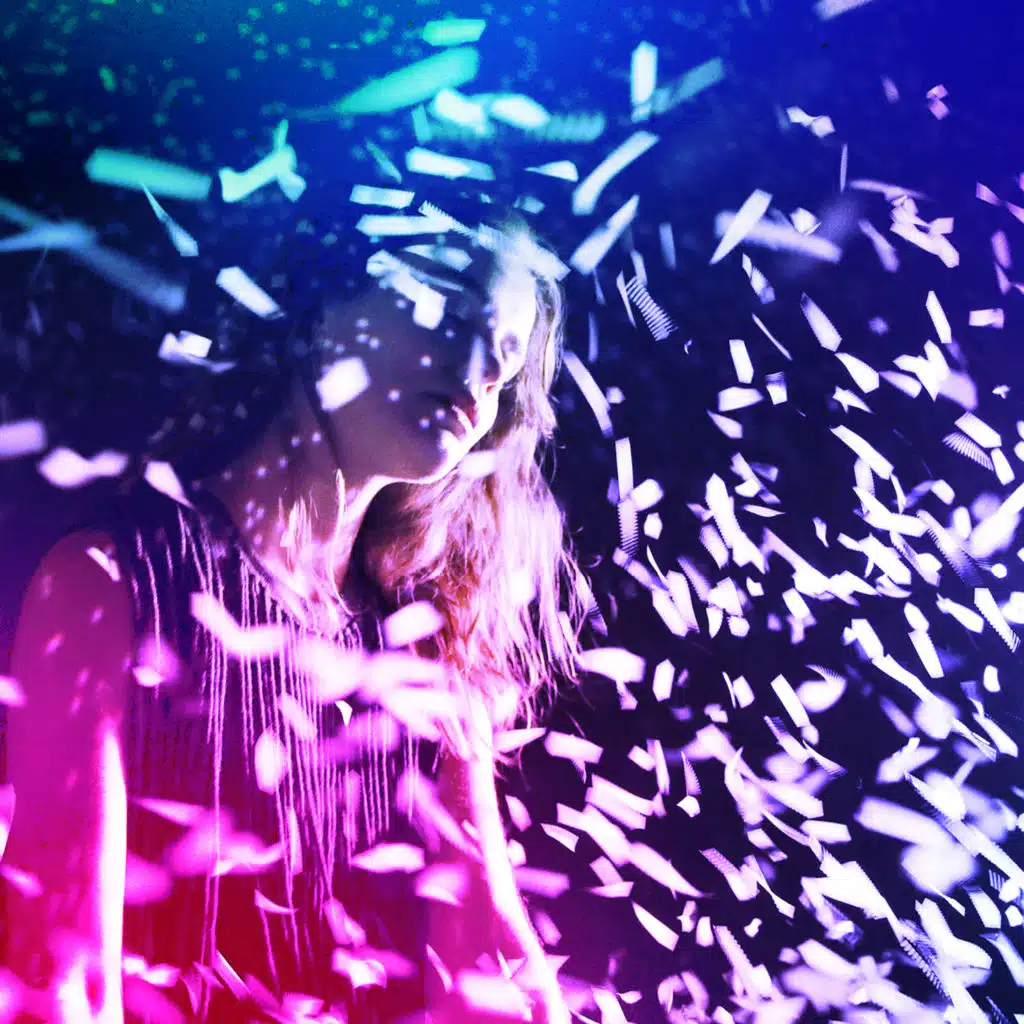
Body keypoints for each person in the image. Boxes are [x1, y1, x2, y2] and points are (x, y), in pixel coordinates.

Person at [1, 216, 590, 1023]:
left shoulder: (428, 657)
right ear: (324, 293)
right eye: (455, 313)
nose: (486, 372)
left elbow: (489, 970)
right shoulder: (106, 585)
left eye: (509, 357)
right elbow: (61, 978)